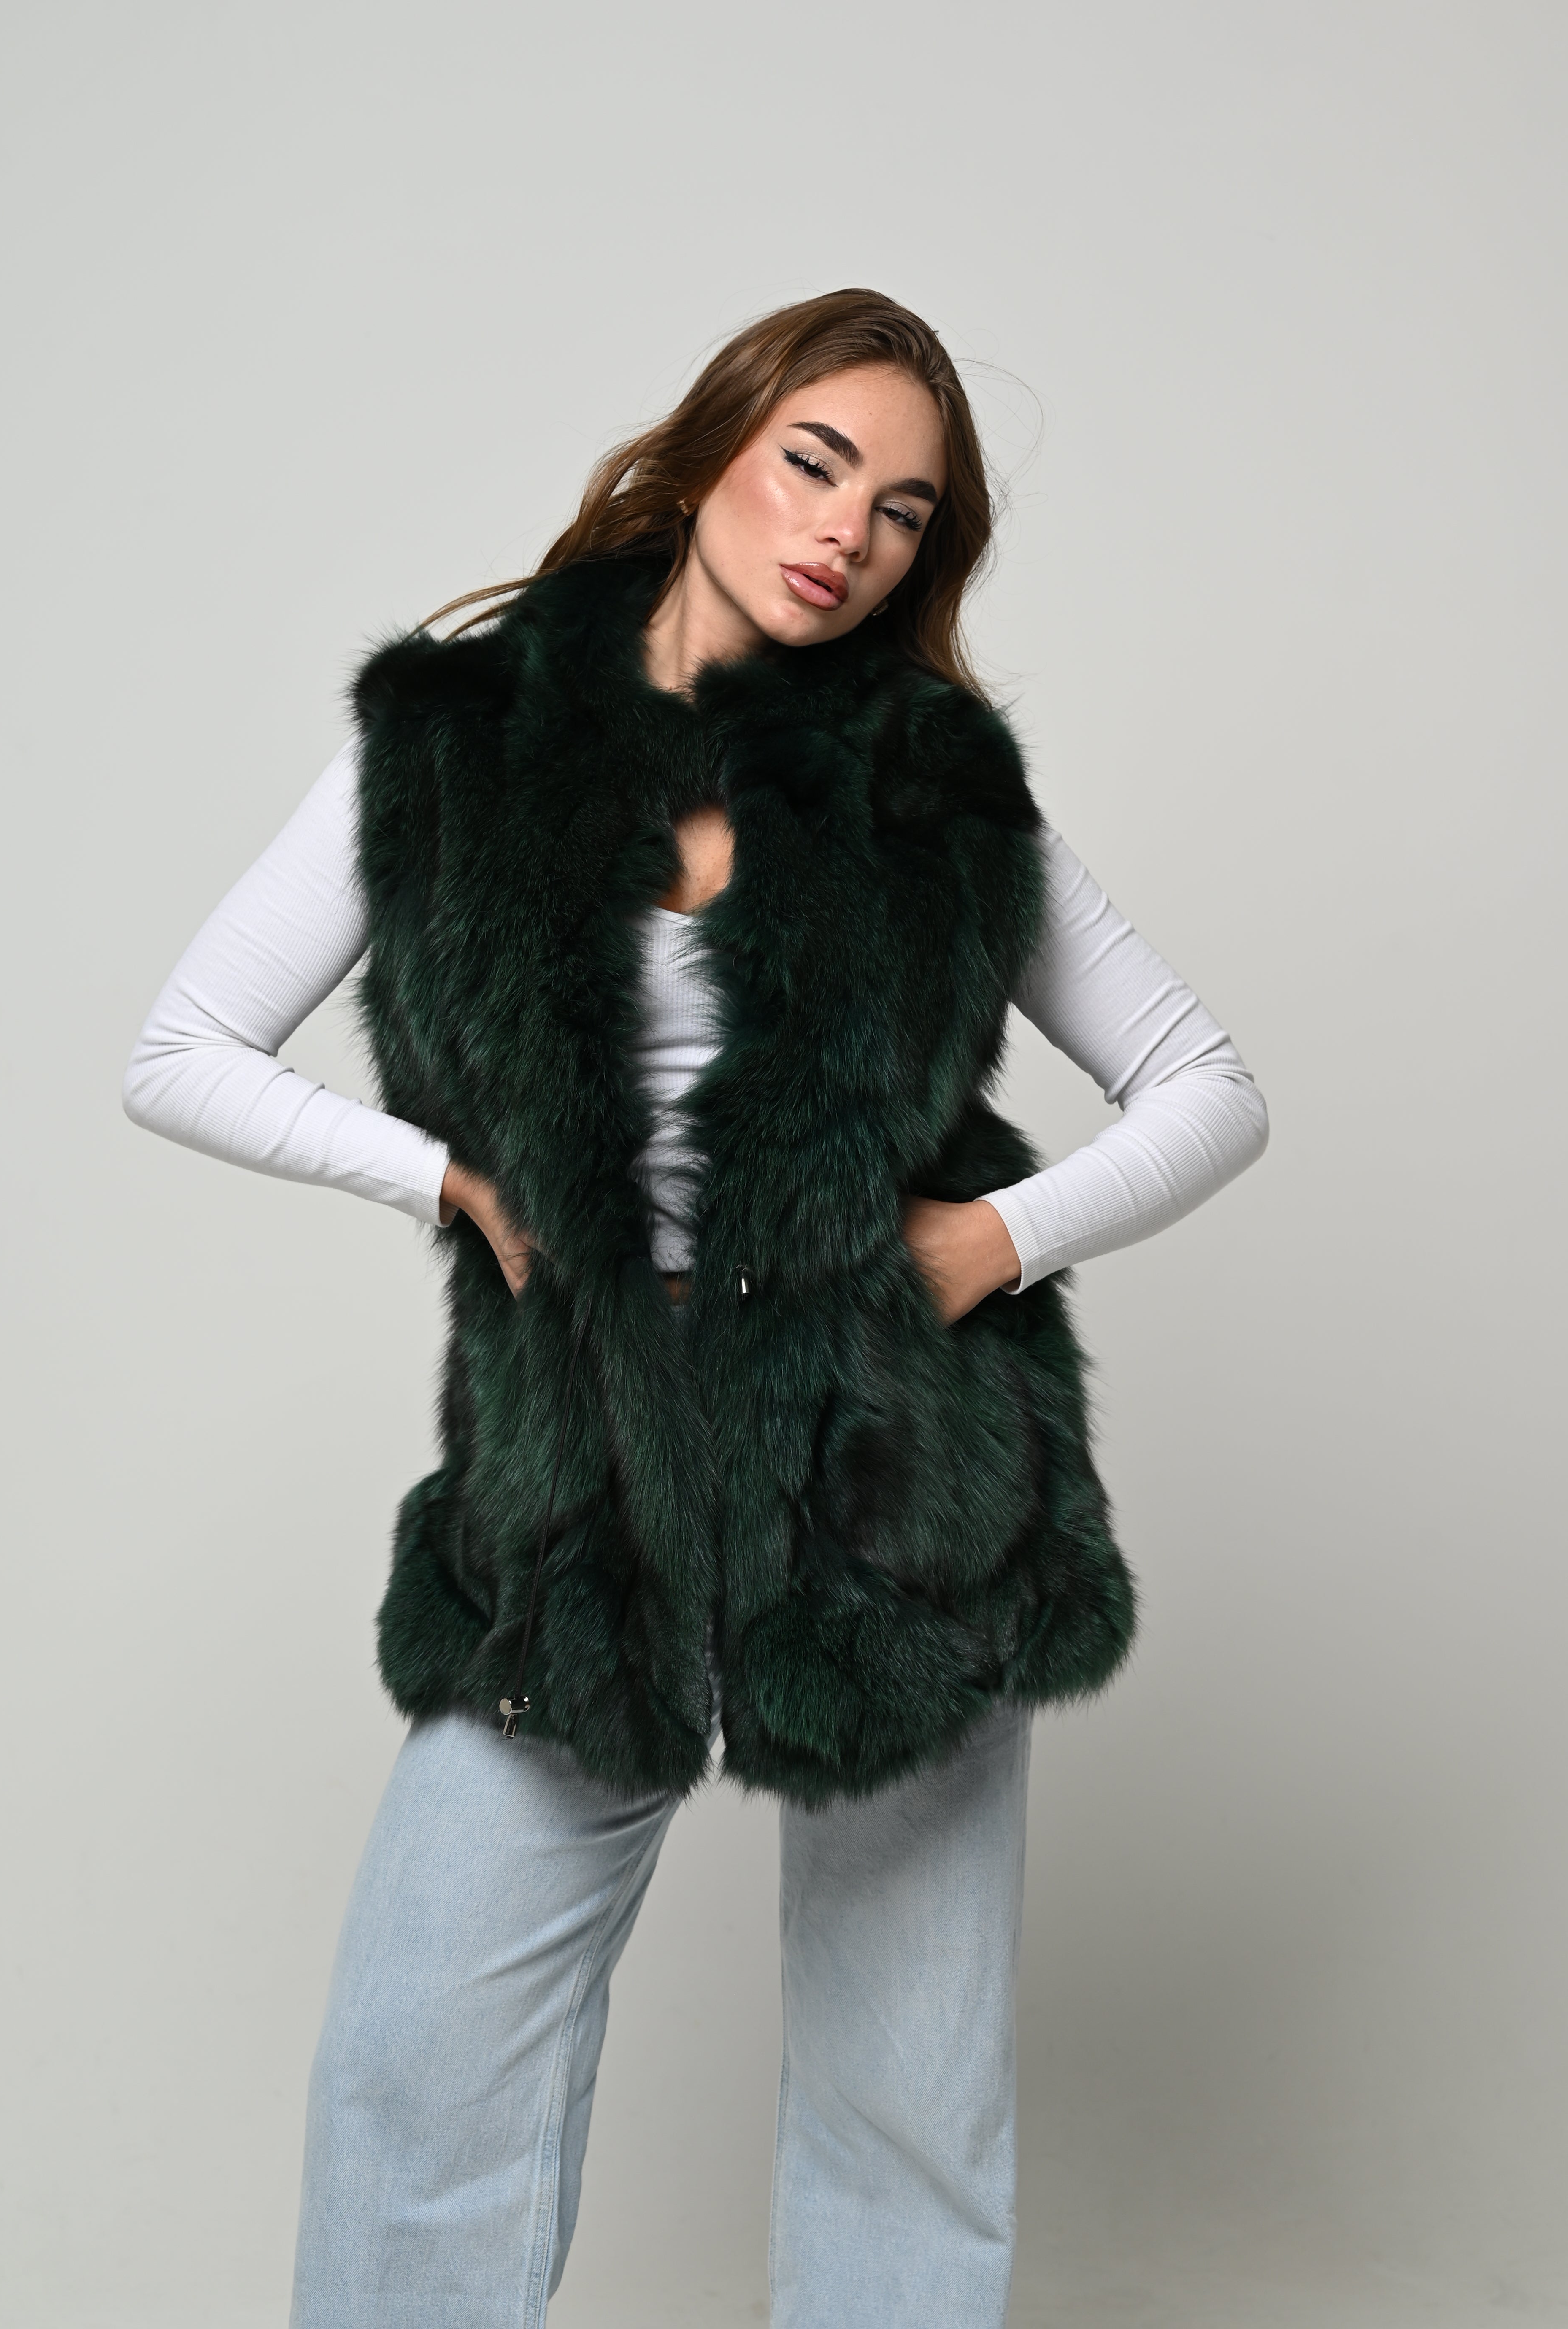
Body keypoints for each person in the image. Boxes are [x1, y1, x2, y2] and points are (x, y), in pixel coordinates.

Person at [124, 287, 1267, 2327]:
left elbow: (1206, 1084)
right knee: (419, 2066)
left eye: (902, 512)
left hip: (895, 1473)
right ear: (705, 450)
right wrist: (442, 1176)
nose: (846, 533)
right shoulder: (456, 743)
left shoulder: (928, 785)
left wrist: (986, 1244)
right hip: (583, 1471)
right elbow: (181, 1046)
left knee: (905, 2098)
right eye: (814, 463)